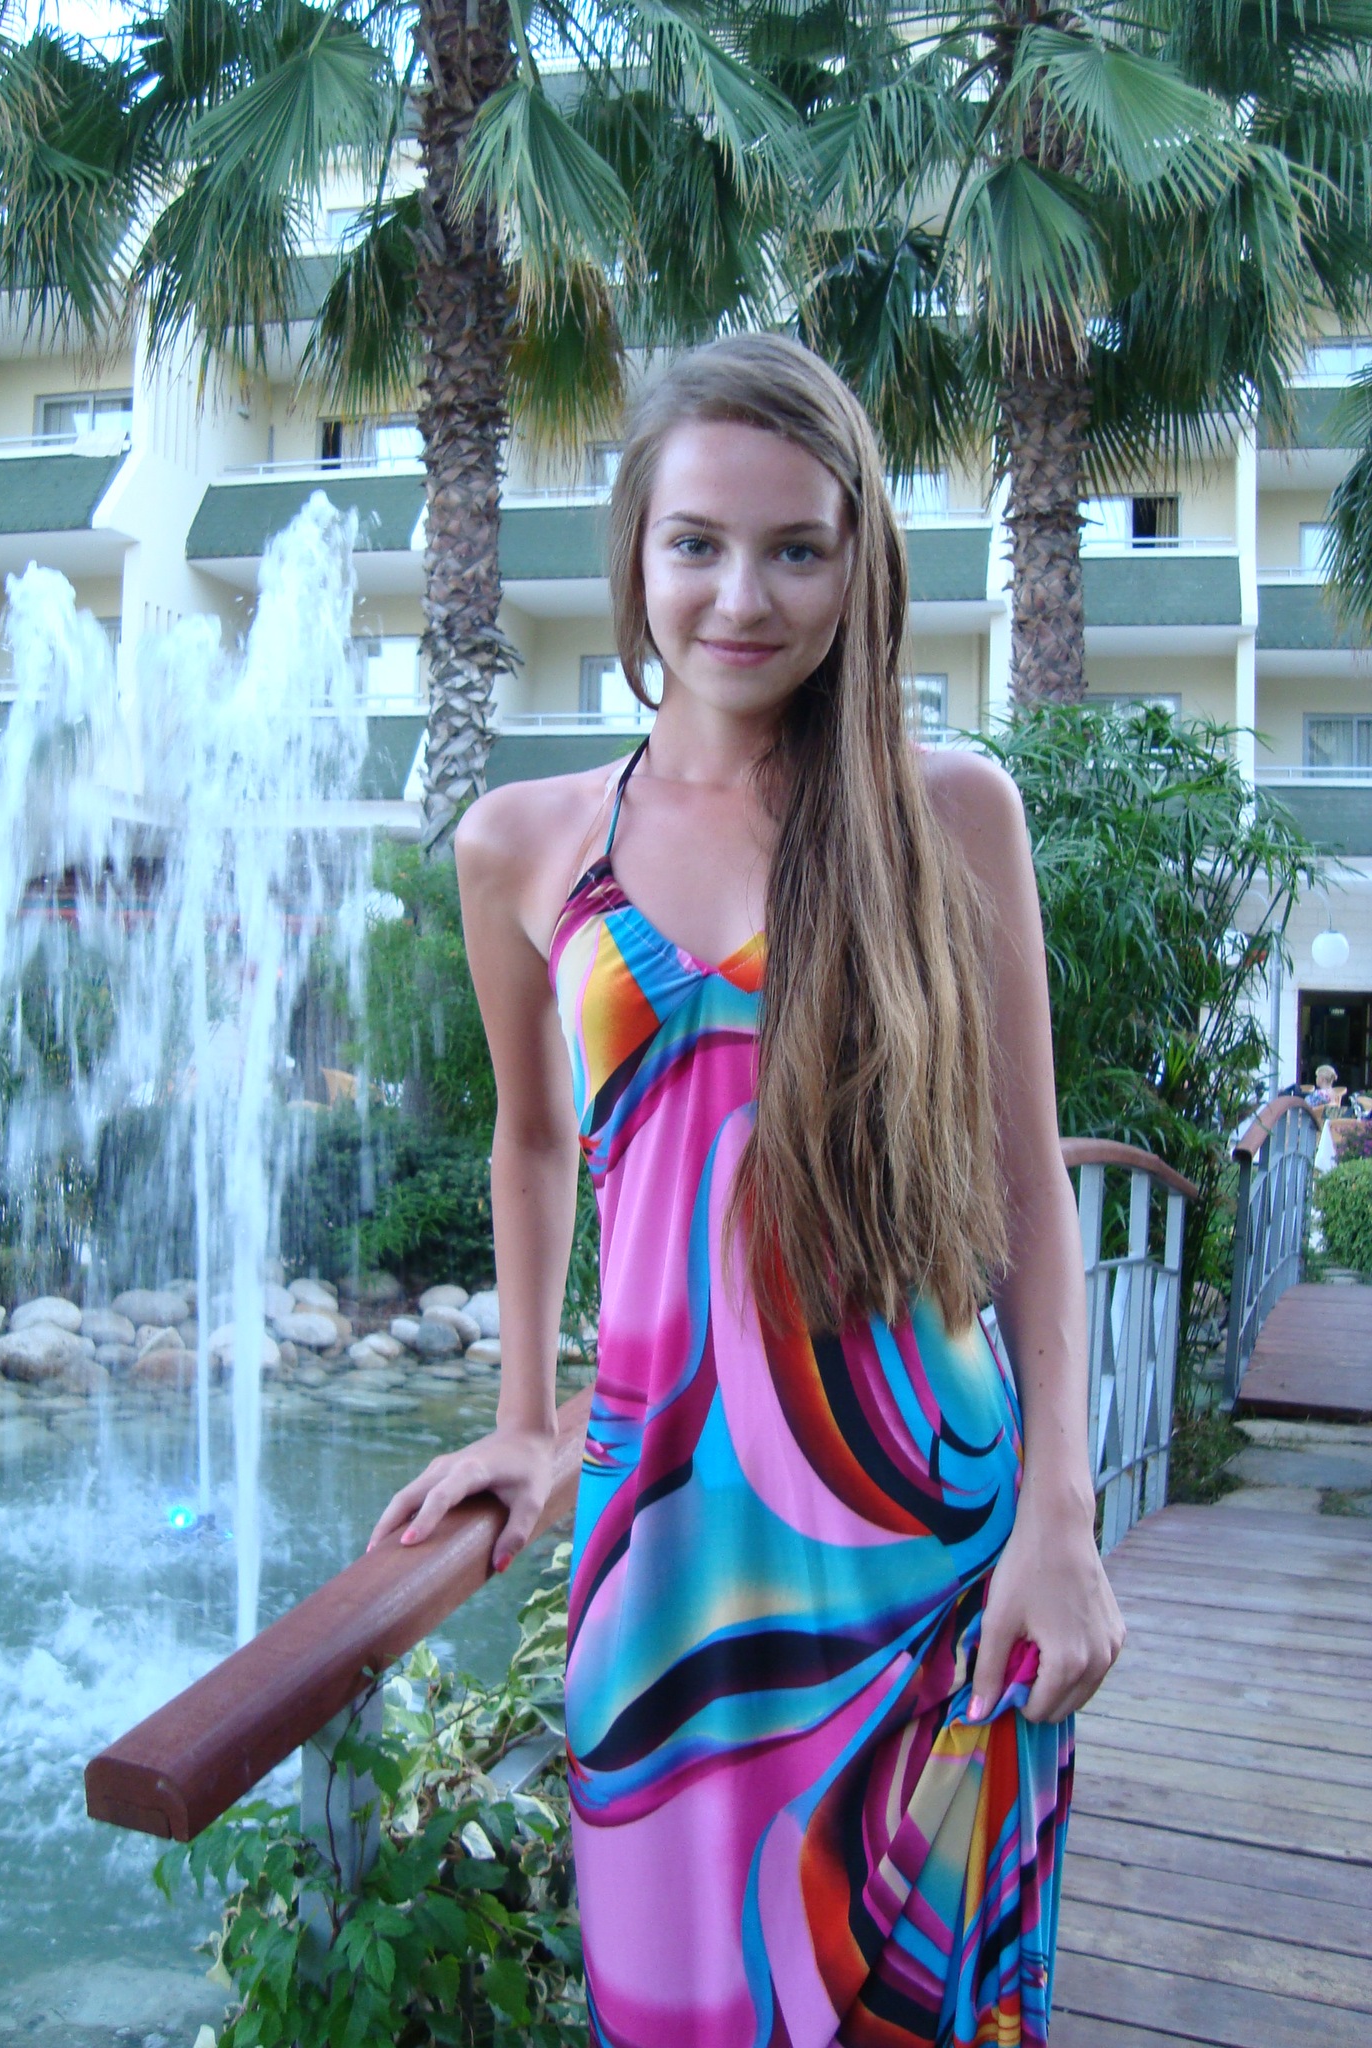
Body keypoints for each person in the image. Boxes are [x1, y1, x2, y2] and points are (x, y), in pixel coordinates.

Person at [369, 334, 1124, 2047]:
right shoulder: (524, 843)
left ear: (860, 564)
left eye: (797, 548)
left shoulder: (947, 816)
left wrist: (1065, 1518)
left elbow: (1027, 1190)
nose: (742, 596)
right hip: (663, 1557)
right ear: (635, 551)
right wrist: (523, 1418)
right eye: (698, 543)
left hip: (931, 1545)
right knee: (671, 2006)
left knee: (911, 2014)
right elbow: (536, 1140)